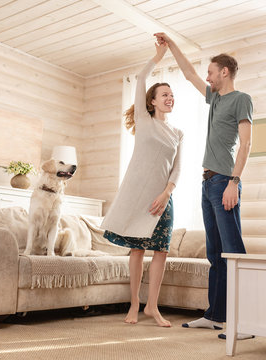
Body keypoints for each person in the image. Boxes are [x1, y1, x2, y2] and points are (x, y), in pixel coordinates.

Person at [154, 33, 253, 339]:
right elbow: (188, 73)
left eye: (212, 72)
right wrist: (171, 45)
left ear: (225, 72)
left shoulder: (241, 99)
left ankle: (247, 322)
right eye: (207, 73)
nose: (207, 77)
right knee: (215, 253)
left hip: (225, 182)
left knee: (233, 253)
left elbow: (247, 144)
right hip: (207, 182)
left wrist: (234, 183)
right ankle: (215, 315)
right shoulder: (214, 98)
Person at [101, 42, 183, 328]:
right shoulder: (143, 121)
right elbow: (139, 79)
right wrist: (158, 57)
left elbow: (177, 169)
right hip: (140, 199)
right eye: (164, 94)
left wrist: (166, 194)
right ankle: (135, 303)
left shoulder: (178, 133)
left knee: (161, 251)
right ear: (152, 101)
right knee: (137, 251)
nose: (169, 98)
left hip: (163, 199)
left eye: (172, 95)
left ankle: (152, 307)